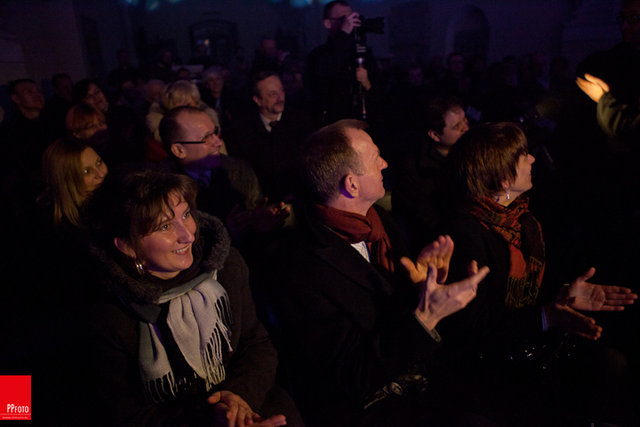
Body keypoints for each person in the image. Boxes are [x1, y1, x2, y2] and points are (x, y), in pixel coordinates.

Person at [268, 119, 492, 426]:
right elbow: (354, 375)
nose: (385, 163)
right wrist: (425, 317)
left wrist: (422, 287)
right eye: (376, 158)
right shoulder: (301, 269)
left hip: (418, 379)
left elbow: (396, 315)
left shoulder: (379, 222)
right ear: (351, 184)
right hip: (370, 406)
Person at [441, 122, 638, 425]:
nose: (532, 158)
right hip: (499, 373)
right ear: (504, 179)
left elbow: (535, 290)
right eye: (523, 156)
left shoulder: (522, 218)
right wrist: (546, 316)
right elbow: (473, 327)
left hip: (537, 349)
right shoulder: (465, 236)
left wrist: (564, 292)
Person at [84, 170, 299, 426]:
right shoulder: (109, 314)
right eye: (165, 226)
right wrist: (211, 417)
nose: (188, 235)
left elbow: (257, 343)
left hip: (254, 404)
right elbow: (127, 414)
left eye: (185, 214)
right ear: (128, 246)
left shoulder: (225, 266)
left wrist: (238, 400)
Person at [159, 106, 289, 245]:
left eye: (215, 133)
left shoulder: (239, 170)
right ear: (179, 150)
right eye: (206, 138)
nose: (218, 142)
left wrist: (258, 224)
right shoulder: (160, 190)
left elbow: (255, 215)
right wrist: (223, 233)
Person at [392, 96, 469, 254]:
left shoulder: (470, 149)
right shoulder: (417, 170)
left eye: (465, 121)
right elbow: (425, 219)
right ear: (435, 135)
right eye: (457, 127)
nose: (465, 129)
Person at [225, 71, 313, 203]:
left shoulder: (301, 122)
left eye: (281, 91)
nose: (280, 98)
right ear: (257, 100)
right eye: (272, 94)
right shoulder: (241, 130)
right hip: (258, 200)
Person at [306, 0, 374, 126]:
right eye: (343, 19)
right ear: (328, 23)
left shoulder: (362, 52)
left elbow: (379, 89)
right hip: (334, 122)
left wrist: (367, 83)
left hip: (362, 120)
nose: (349, 22)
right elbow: (320, 81)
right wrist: (343, 34)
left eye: (351, 18)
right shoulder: (318, 55)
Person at [146, 80, 224, 161]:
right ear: (171, 106)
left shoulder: (211, 126)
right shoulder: (157, 142)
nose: (195, 108)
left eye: (196, 102)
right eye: (187, 105)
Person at [39, 137, 108, 228]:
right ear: (67, 181)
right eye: (86, 171)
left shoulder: (113, 196)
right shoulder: (64, 227)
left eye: (99, 162)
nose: (101, 174)